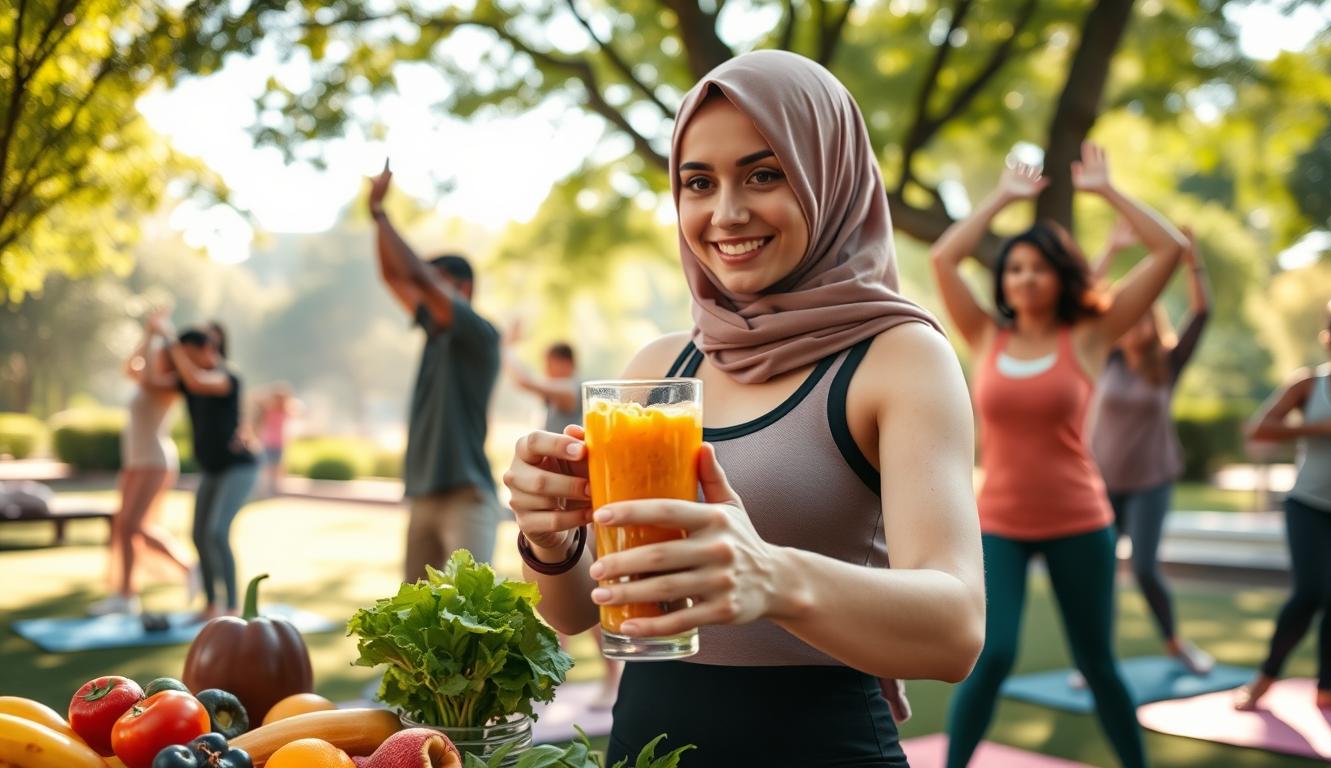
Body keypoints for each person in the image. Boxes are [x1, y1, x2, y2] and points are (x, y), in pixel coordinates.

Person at [503, 51, 984, 767]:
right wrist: (549, 540)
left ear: (828, 175)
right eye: (698, 182)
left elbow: (956, 629)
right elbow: (572, 614)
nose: (725, 213)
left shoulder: (898, 356)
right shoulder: (660, 368)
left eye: (764, 174)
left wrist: (775, 578)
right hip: (645, 746)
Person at [933, 145, 1189, 768]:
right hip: (998, 523)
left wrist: (1107, 191)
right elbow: (944, 257)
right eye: (1014, 268)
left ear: (1061, 277)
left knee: (1097, 664)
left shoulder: (1093, 335)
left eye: (1038, 268)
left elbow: (1170, 251)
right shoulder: (985, 335)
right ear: (1004, 280)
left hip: (1080, 520)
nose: (1024, 278)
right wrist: (1002, 200)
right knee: (990, 656)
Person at [1088, 222, 1214, 675]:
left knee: (1143, 568)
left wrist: (1190, 259)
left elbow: (1202, 315)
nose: (1134, 321)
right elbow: (1085, 302)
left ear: (1153, 319)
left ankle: (1176, 643)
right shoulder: (1104, 357)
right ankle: (1096, 660)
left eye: (1143, 315)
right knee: (1099, 571)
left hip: (1151, 480)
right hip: (1103, 482)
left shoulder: (1168, 364)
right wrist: (1110, 248)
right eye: (1128, 315)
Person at [367, 162, 503, 578]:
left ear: (463, 290)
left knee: (470, 615)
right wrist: (376, 216)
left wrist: (381, 211)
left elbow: (415, 278)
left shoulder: (480, 335)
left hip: (468, 498)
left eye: (437, 281)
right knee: (415, 623)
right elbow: (395, 276)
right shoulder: (433, 332)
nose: (423, 291)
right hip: (424, 496)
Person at [501, 324, 621, 710]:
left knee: (595, 601)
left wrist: (503, 346)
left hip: (581, 503)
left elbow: (524, 381)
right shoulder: (564, 392)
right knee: (558, 599)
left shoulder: (571, 386)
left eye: (549, 362)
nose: (547, 369)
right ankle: (557, 675)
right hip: (560, 505)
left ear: (561, 362)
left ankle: (611, 679)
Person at [1235, 298, 1331, 711]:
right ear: (1327, 336)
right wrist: (1323, 428)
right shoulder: (1308, 384)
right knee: (1313, 589)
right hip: (1309, 505)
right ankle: (1266, 676)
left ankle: (1327, 685)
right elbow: (1261, 429)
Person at [151, 319, 259, 621]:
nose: (180, 359)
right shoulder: (188, 382)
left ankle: (235, 608)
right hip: (212, 469)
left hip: (239, 467)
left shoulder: (227, 377)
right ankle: (212, 606)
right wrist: (151, 336)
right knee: (198, 534)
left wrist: (170, 338)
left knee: (217, 532)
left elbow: (198, 379)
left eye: (186, 352)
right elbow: (147, 378)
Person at [89, 308, 195, 616]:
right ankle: (125, 595)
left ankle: (189, 567)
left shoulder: (170, 385)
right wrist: (149, 334)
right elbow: (129, 367)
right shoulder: (150, 378)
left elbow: (145, 375)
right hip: (137, 460)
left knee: (136, 525)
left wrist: (162, 335)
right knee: (123, 526)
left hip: (154, 459)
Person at [254, 383, 301, 497]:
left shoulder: (285, 411)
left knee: (277, 467)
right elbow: (257, 399)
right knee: (267, 467)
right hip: (268, 442)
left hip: (279, 443)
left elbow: (298, 410)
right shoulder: (268, 410)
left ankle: (274, 489)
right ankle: (265, 490)